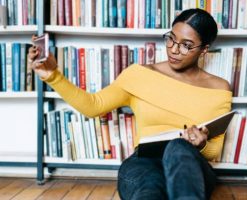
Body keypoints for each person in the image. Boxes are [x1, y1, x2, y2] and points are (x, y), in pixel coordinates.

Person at [28, 8, 232, 200]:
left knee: (178, 146)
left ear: (204, 49)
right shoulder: (139, 75)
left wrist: (201, 143)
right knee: (150, 189)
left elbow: (214, 151)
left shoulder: (219, 88)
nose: (174, 49)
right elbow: (93, 105)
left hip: (191, 169)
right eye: (171, 39)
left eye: (186, 45)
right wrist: (52, 76)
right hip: (144, 163)